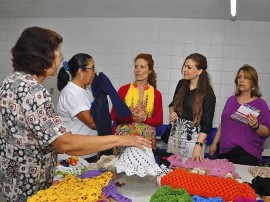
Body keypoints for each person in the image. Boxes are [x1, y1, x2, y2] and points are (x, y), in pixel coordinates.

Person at [0, 27, 151, 202]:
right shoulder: (33, 91)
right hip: (30, 181)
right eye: (58, 55)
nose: (59, 61)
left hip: (13, 176)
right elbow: (65, 142)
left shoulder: (11, 80)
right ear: (41, 57)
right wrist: (122, 139)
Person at [209, 64, 270, 166]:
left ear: (253, 82)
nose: (241, 80)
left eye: (246, 78)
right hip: (225, 152)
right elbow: (223, 124)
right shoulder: (231, 100)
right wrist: (215, 143)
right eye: (239, 77)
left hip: (247, 155)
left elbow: (267, 132)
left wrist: (256, 126)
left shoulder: (261, 104)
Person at [111, 53, 163, 155]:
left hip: (145, 143)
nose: (138, 70)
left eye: (142, 67)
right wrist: (132, 118)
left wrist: (145, 119)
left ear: (150, 71)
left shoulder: (156, 94)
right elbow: (114, 115)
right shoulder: (123, 90)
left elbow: (159, 120)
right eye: (136, 66)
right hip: (123, 141)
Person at [168, 53, 216, 161]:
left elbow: (207, 125)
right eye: (184, 66)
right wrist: (172, 112)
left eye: (189, 67)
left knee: (189, 173)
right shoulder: (181, 84)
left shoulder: (208, 94)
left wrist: (198, 145)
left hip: (193, 140)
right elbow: (172, 105)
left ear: (199, 71)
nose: (185, 69)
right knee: (172, 172)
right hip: (175, 136)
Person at [57, 53, 100, 162]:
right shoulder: (72, 93)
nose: (95, 71)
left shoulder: (86, 91)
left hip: (88, 152)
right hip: (76, 157)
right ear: (81, 71)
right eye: (92, 68)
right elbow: (93, 123)